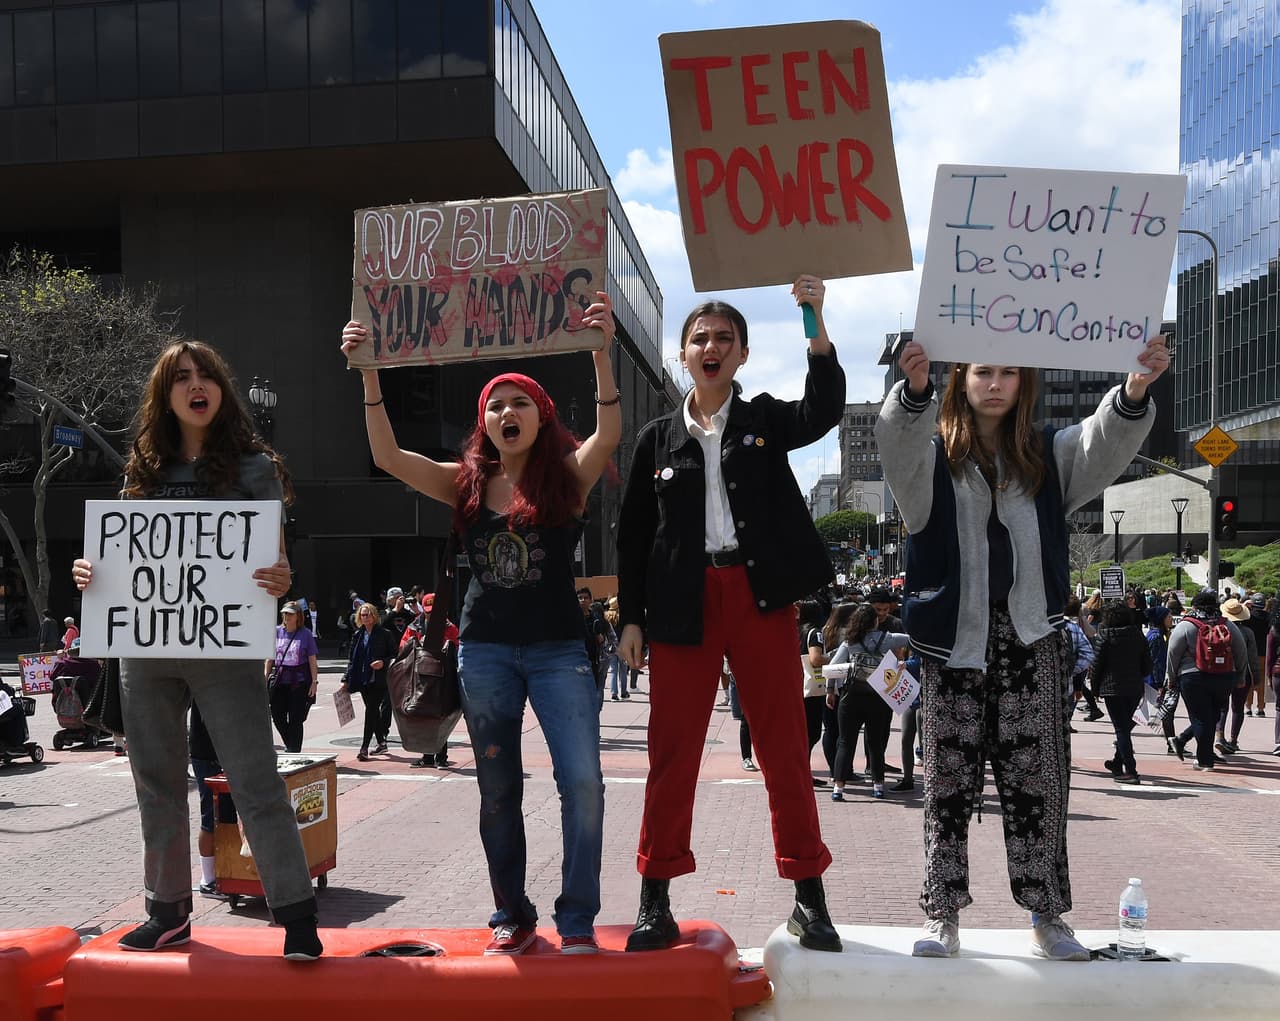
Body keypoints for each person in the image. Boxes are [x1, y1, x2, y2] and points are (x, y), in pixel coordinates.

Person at [340, 288, 619, 956]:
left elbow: (608, 433)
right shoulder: (462, 484)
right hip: (486, 655)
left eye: (519, 401)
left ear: (541, 415)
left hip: (559, 654)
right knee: (498, 791)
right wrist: (370, 372)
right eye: (495, 404)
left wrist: (601, 355)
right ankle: (511, 913)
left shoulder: (568, 479)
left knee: (582, 783)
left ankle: (576, 916)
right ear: (484, 422)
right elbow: (388, 457)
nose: (506, 411)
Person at [878, 334, 1168, 961]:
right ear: (963, 379)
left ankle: (1047, 916)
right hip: (953, 642)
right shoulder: (928, 460)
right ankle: (942, 915)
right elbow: (894, 441)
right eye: (983, 371)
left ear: (1023, 382)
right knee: (947, 784)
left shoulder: (1047, 455)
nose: (995, 383)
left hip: (1031, 638)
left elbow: (1100, 442)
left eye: (1009, 372)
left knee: (1038, 783)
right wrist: (916, 392)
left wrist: (1136, 388)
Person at [71, 339, 321, 960]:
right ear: (166, 394)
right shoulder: (143, 469)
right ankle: (168, 912)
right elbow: (128, 556)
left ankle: (296, 916)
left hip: (225, 651)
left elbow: (274, 558)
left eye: (206, 374)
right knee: (155, 783)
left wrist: (281, 577)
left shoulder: (254, 468)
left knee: (254, 779)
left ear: (222, 390)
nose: (196, 385)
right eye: (181, 377)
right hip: (146, 651)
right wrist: (92, 573)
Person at [616, 277, 844, 955]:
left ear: (741, 354)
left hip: (759, 596)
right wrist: (631, 618)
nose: (710, 346)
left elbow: (824, 408)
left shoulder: (766, 421)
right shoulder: (656, 441)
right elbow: (631, 535)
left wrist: (814, 319)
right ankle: (654, 896)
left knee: (783, 750)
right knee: (672, 751)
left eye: (723, 337)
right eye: (698, 337)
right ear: (683, 354)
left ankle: (809, 894)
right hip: (681, 604)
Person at [826, 603, 911, 800]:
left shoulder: (849, 643)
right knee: (875, 743)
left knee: (846, 742)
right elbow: (911, 641)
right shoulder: (887, 639)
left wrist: (831, 691)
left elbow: (832, 667)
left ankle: (838, 788)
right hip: (878, 697)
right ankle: (878, 786)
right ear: (875, 621)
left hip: (851, 697)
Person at [1166, 589, 1248, 770]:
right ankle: (1187, 743)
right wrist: (1240, 676)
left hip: (1192, 676)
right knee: (1212, 715)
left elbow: (1173, 653)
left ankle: (1204, 760)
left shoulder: (1186, 625)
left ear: (1194, 606)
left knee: (1200, 717)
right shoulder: (1227, 625)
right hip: (1224, 676)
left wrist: (1170, 678)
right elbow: (1241, 651)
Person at [1090, 601, 1152, 784]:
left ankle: (1131, 770)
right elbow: (1147, 665)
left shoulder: (1105, 635)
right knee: (1124, 727)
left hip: (1111, 687)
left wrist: (1094, 688)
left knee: (1121, 729)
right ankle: (1117, 763)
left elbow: (1097, 665)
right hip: (1134, 687)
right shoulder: (1138, 635)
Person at [340, 602, 396, 762]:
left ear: (374, 616)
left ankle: (364, 747)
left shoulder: (385, 634)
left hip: (379, 679)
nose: (365, 617)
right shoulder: (358, 635)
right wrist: (345, 678)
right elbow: (351, 660)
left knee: (370, 710)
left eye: (368, 614)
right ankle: (381, 742)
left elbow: (395, 655)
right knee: (373, 711)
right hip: (362, 678)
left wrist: (383, 663)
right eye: (363, 615)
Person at [266, 602, 320, 754]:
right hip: (279, 681)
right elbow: (269, 658)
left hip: (299, 682)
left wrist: (314, 682)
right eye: (285, 613)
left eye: (290, 614)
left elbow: (312, 659)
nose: (286, 616)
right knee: (277, 716)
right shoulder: (276, 632)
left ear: (298, 616)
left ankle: (293, 750)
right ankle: (291, 744)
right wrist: (265, 678)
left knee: (296, 718)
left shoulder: (306, 634)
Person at [1217, 598, 1257, 755]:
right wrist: (1257, 678)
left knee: (1222, 707)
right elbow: (1252, 657)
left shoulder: (1220, 629)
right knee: (1238, 708)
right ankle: (1233, 740)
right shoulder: (1248, 633)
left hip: (1222, 672)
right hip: (1243, 672)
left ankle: (1219, 736)